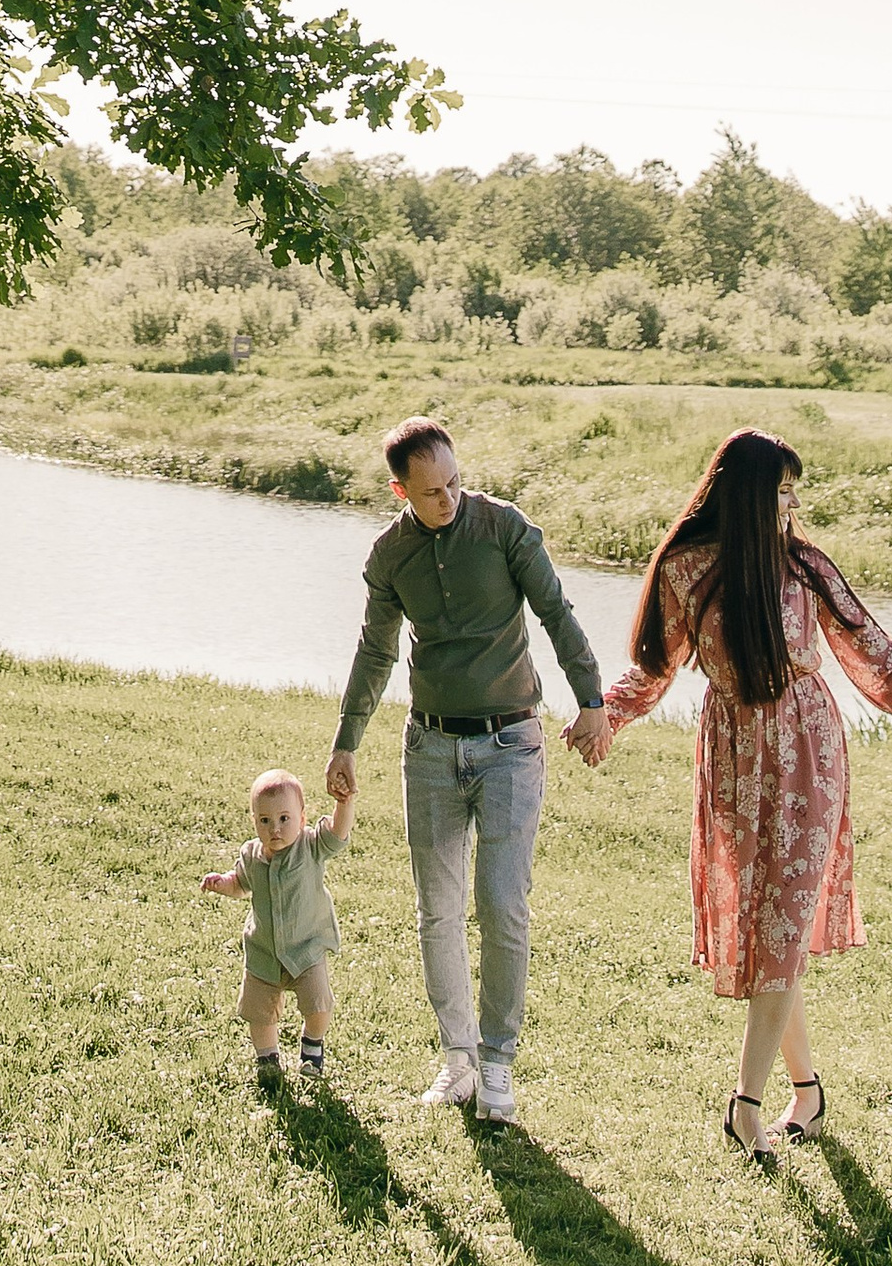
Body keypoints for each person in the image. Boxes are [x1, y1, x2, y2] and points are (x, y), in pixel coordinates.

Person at [577, 428, 892, 1160]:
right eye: (780, 489)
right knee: (771, 929)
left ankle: (745, 1105)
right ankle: (806, 1092)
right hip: (735, 757)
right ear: (747, 495)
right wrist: (607, 716)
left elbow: (882, 654)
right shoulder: (688, 568)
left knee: (782, 926)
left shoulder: (805, 568)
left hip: (808, 753)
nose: (792, 502)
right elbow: (657, 665)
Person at [325, 415, 609, 1124]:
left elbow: (556, 613)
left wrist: (593, 700)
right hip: (429, 751)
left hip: (512, 745)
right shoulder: (390, 557)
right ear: (401, 491)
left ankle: (498, 1064)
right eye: (431, 491)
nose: (449, 498)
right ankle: (457, 1060)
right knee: (437, 912)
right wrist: (346, 741)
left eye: (455, 482)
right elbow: (375, 651)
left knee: (503, 906)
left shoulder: (505, 528)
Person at [202, 764, 356, 1087]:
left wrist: (344, 803)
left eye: (284, 819)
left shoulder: (311, 846)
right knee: (259, 1012)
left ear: (301, 818)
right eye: (265, 820)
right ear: (254, 821)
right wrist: (222, 883)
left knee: (319, 1005)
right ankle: (267, 1057)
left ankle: (312, 1043)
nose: (275, 829)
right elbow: (240, 884)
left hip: (306, 949)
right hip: (264, 952)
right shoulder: (251, 855)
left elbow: (338, 835)